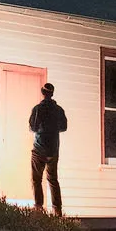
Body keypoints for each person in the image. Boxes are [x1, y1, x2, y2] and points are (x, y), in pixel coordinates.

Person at [28, 82, 67, 216]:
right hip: (53, 150)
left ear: (43, 93)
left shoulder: (38, 109)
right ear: (52, 94)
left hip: (39, 148)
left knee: (36, 179)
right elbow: (64, 127)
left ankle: (39, 208)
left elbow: (32, 127)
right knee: (53, 179)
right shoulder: (59, 110)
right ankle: (57, 210)